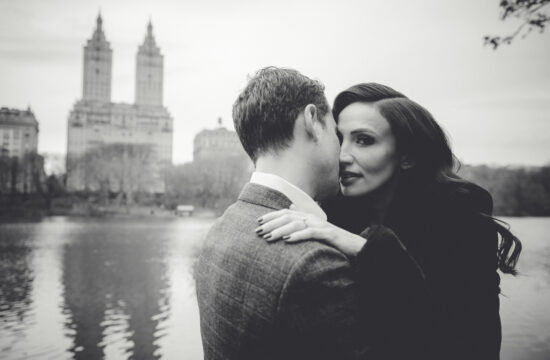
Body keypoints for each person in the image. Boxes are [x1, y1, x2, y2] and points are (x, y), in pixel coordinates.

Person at [258, 83, 522, 360]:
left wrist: (365, 248)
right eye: (340, 138)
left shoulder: (460, 220)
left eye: (364, 140)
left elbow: (471, 346)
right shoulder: (332, 213)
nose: (343, 156)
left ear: (407, 156)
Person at [196, 67, 386, 360]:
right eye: (336, 132)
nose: (343, 152)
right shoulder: (314, 264)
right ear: (312, 120)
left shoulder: (222, 226)